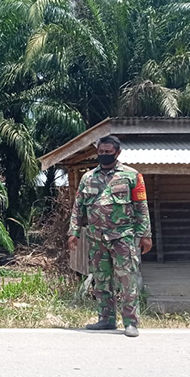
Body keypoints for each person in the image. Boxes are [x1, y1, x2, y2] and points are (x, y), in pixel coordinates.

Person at [68, 135, 153, 338]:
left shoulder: (132, 176)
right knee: (102, 280)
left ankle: (131, 323)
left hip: (122, 237)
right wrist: (73, 232)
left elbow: (141, 207)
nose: (104, 155)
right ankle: (106, 319)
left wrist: (145, 235)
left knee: (127, 280)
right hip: (96, 238)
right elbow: (78, 207)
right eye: (101, 152)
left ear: (118, 152)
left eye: (108, 152)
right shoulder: (88, 177)